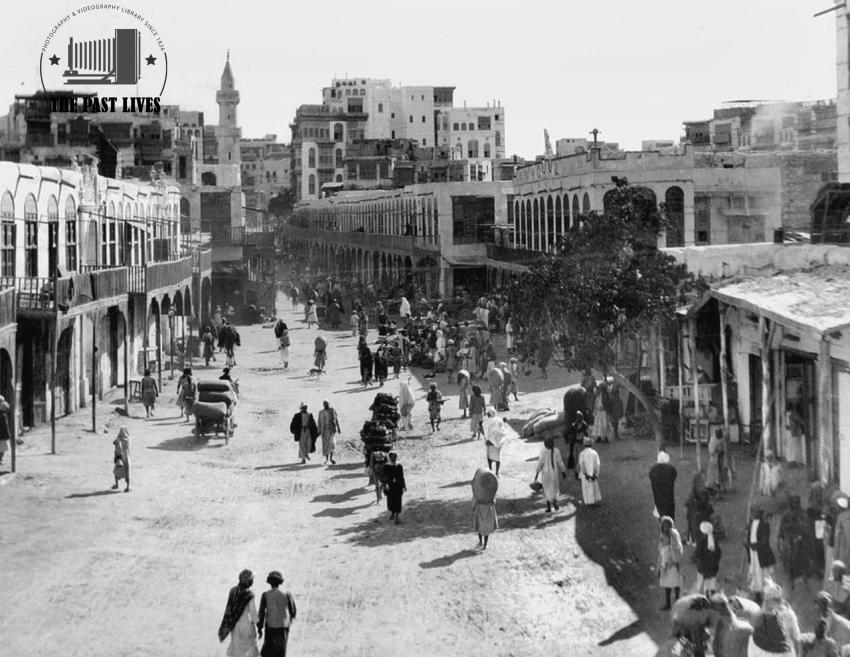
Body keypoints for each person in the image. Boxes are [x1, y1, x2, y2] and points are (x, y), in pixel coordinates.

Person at [748, 582, 800, 657]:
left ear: (767, 600)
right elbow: (796, 637)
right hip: (785, 651)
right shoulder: (789, 614)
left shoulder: (759, 616)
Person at [218, 569, 259, 657]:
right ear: (249, 582)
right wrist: (259, 626)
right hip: (246, 627)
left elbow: (229, 609)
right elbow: (254, 615)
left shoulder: (233, 591)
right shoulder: (250, 595)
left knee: (237, 652)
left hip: (235, 627)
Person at [256, 571, 296, 657]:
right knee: (280, 652)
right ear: (280, 582)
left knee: (268, 652)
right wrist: (290, 621)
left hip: (270, 627)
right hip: (283, 627)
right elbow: (293, 611)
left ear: (269, 582)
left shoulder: (265, 595)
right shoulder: (287, 594)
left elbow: (261, 613)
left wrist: (259, 628)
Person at [777, 494, 812, 591]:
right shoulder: (786, 514)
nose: (795, 505)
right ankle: (791, 577)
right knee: (790, 560)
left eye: (797, 502)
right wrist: (782, 538)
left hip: (801, 540)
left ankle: (804, 577)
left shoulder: (803, 513)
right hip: (789, 540)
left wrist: (801, 535)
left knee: (802, 560)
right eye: (793, 502)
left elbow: (806, 528)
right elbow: (781, 528)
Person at [747, 505, 777, 604]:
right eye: (752, 512)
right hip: (753, 553)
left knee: (764, 574)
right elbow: (749, 536)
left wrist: (755, 546)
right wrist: (747, 544)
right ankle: (758, 595)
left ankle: (769, 596)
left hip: (761, 553)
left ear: (759, 514)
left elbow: (764, 541)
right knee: (755, 574)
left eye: (755, 512)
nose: (753, 514)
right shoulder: (751, 524)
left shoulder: (764, 525)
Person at [656, 515, 683, 611]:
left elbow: (679, 548)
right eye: (664, 526)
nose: (666, 528)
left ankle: (677, 603)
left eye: (668, 526)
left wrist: (676, 560)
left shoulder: (674, 535)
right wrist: (658, 567)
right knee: (666, 584)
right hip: (665, 563)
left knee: (676, 583)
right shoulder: (662, 535)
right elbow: (660, 550)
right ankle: (668, 603)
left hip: (673, 562)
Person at [534, 437, 566, 513]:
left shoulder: (543, 451)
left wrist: (537, 473)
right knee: (554, 489)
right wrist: (563, 471)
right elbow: (560, 463)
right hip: (554, 474)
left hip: (545, 474)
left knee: (546, 489)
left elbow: (540, 463)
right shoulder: (556, 451)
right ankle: (554, 501)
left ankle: (549, 507)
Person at [472, 468, 498, 550]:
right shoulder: (491, 493)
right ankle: (485, 544)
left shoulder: (477, 493)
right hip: (488, 509)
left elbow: (474, 500)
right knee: (487, 528)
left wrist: (473, 507)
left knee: (479, 527)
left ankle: (480, 542)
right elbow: (494, 501)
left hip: (480, 508)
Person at [693, 521, 721, 596]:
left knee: (702, 582)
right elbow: (718, 553)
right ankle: (711, 594)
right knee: (711, 582)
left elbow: (698, 553)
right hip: (713, 565)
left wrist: (695, 559)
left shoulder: (701, 541)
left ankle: (703, 596)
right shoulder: (715, 541)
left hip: (703, 566)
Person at [649, 449, 678, 520]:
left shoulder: (654, 470)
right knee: (669, 510)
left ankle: (662, 521)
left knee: (660, 508)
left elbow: (651, 476)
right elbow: (674, 476)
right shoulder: (671, 469)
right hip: (668, 494)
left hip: (658, 494)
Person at [577, 435, 602, 507]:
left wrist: (585, 473)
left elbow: (581, 464)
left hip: (586, 475)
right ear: (591, 444)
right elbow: (597, 464)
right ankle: (593, 502)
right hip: (593, 473)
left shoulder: (582, 453)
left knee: (586, 488)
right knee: (593, 487)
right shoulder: (594, 453)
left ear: (584, 445)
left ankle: (588, 502)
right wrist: (596, 474)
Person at [482, 406, 507, 475]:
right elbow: (503, 429)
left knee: (489, 457)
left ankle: (490, 470)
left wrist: (487, 439)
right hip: (499, 442)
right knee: (498, 458)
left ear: (489, 414)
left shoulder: (489, 421)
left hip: (491, 442)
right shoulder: (499, 419)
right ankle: (497, 472)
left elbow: (486, 431)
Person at [383, 451, 406, 524]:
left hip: (396, 486)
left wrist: (404, 486)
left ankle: (396, 517)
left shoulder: (398, 466)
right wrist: (385, 485)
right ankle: (393, 514)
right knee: (392, 500)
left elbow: (402, 477)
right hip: (392, 486)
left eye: (394, 456)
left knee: (396, 501)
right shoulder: (387, 466)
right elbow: (384, 477)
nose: (394, 458)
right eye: (392, 457)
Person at [317, 399, 340, 465]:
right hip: (324, 431)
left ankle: (331, 458)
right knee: (325, 445)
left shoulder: (332, 410)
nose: (325, 405)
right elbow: (319, 422)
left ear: (329, 404)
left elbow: (336, 419)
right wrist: (319, 431)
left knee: (332, 444)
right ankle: (326, 459)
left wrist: (338, 428)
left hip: (331, 430)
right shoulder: (321, 412)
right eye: (324, 404)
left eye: (326, 404)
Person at [706, 428, 727, 498]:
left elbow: (724, 444)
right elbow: (711, 452)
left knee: (721, 471)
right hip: (714, 457)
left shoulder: (723, 437)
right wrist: (717, 450)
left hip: (720, 456)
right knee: (714, 473)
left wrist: (722, 449)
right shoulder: (713, 440)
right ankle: (714, 490)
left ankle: (722, 487)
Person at [111, 426, 131, 492]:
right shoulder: (128, 439)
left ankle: (117, 485)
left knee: (116, 471)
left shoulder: (119, 439)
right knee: (127, 472)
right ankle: (128, 487)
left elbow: (115, 444)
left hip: (120, 457)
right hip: (127, 457)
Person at [0, 395, 10, 466]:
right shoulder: (2, 415)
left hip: (3, 433)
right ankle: (0, 459)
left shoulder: (3, 414)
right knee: (2, 447)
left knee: (3, 447)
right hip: (2, 433)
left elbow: (7, 407)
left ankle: (1, 459)